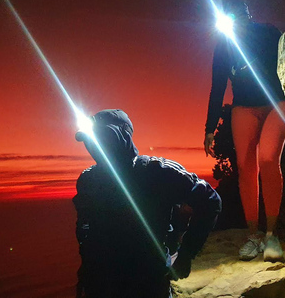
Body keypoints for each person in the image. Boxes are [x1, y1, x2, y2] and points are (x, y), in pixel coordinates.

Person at [73, 109, 222, 298]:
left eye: (104, 136)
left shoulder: (157, 171)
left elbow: (210, 201)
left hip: (148, 285)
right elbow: (85, 228)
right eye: (90, 138)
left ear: (125, 136)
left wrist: (186, 256)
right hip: (99, 285)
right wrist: (85, 273)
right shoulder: (88, 180)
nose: (95, 144)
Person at [204, 0, 285, 262]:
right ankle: (253, 235)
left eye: (239, 17)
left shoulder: (267, 33)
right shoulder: (224, 47)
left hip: (277, 103)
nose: (236, 24)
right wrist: (209, 129)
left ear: (248, 15)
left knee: (267, 158)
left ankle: (271, 235)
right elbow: (217, 88)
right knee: (245, 167)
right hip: (243, 107)